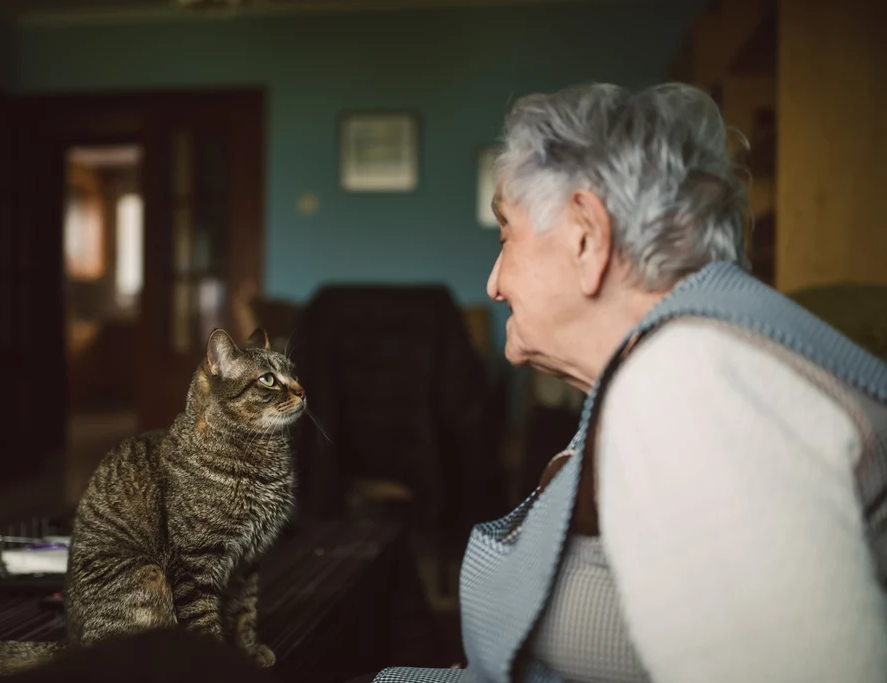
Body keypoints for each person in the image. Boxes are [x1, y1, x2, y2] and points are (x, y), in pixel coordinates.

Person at [364, 83, 887, 682]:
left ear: (586, 236)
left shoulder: (686, 382)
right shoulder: (675, 365)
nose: (492, 283)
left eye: (505, 235)